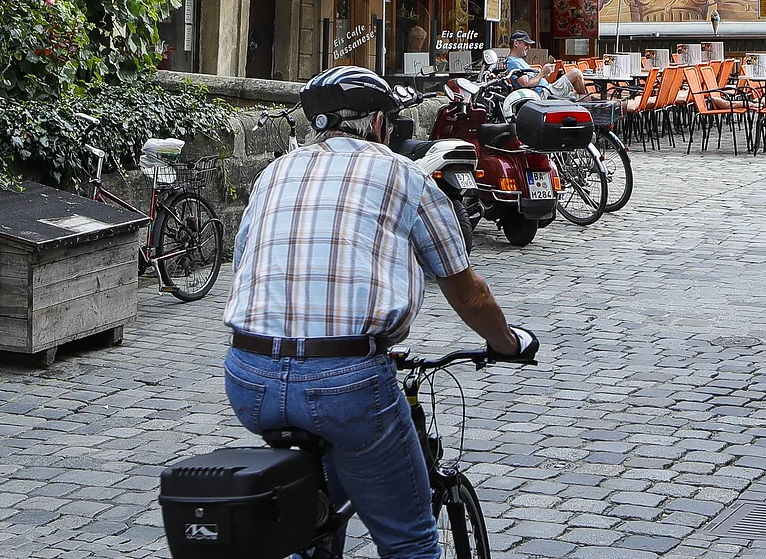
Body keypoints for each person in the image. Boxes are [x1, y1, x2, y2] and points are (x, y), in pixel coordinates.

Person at [223, 66, 536, 559]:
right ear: (377, 124)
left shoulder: (274, 173)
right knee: (409, 540)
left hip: (249, 378)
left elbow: (246, 267)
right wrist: (508, 343)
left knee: (310, 525)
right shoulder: (403, 176)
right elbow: (467, 291)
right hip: (346, 381)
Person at [504, 31, 589, 100]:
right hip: (544, 93)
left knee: (583, 97)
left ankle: (584, 100)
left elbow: (531, 79)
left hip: (547, 89)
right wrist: (542, 73)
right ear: (516, 43)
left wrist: (544, 74)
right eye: (526, 44)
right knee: (576, 73)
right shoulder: (513, 62)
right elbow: (526, 84)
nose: (529, 47)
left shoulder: (519, 60)